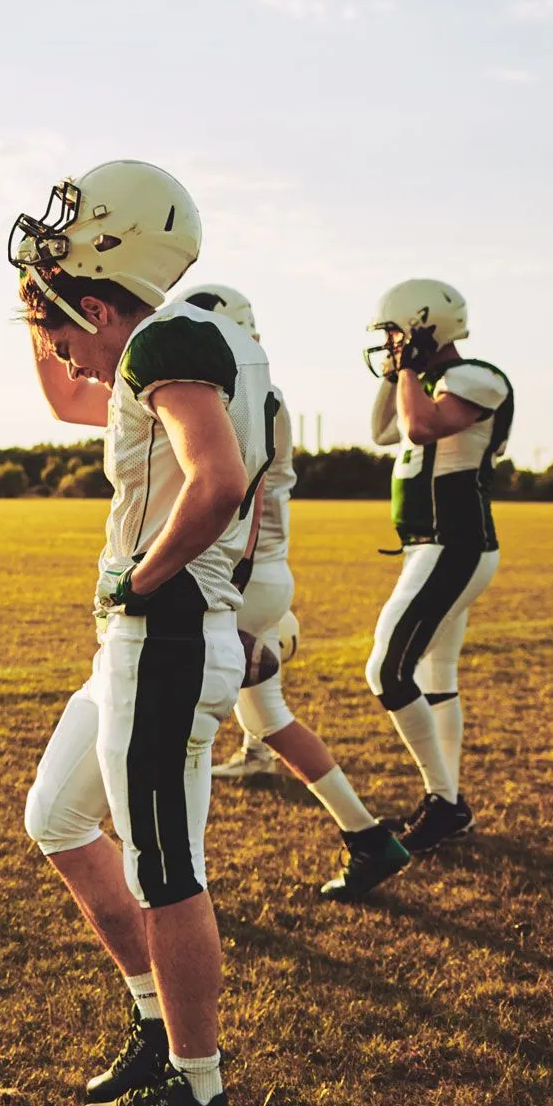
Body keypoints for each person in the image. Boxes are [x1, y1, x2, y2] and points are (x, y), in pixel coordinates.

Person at [10, 161, 268, 1106]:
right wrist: (39, 311)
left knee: (166, 866)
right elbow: (67, 396)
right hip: (142, 647)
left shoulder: (175, 334)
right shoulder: (160, 348)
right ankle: (156, 1027)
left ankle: (199, 1092)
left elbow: (218, 480)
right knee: (59, 815)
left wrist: (141, 577)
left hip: (163, 640)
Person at [188, 285, 410, 901]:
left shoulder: (237, 390)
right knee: (269, 718)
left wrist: (229, 574)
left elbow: (244, 490)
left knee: (176, 727)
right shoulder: (262, 388)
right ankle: (367, 837)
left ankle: (171, 884)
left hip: (239, 573)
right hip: (262, 572)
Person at [363, 280, 513, 853]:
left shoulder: (479, 376)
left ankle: (445, 802)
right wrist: (397, 371)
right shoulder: (421, 382)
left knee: (386, 671)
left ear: (426, 326)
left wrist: (408, 371)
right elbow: (383, 432)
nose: (391, 344)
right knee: (435, 674)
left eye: (396, 332)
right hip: (431, 544)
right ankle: (447, 800)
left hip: (454, 542)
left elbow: (422, 427)